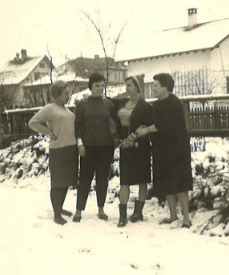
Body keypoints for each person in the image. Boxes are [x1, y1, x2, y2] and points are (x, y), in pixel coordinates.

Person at [136, 73, 193, 228]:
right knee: (167, 181)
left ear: (165, 87)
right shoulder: (156, 104)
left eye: (155, 85)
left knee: (180, 183)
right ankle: (173, 215)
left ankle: (186, 218)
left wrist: (147, 130)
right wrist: (144, 127)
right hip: (161, 149)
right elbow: (152, 122)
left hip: (176, 149)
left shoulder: (173, 102)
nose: (153, 88)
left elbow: (164, 124)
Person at [28, 81, 78, 225]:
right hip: (58, 150)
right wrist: (48, 132)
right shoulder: (49, 108)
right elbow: (33, 122)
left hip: (71, 149)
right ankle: (57, 214)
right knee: (57, 183)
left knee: (66, 182)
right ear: (57, 94)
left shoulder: (67, 110)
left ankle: (60, 208)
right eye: (66, 94)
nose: (68, 96)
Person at [74, 72, 118, 222]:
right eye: (96, 85)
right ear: (90, 86)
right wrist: (80, 144)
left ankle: (101, 209)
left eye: (102, 85)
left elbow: (118, 119)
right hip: (87, 148)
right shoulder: (82, 104)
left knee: (102, 179)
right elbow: (77, 126)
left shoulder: (109, 104)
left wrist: (116, 139)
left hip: (106, 147)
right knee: (85, 179)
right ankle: (79, 210)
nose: (100, 88)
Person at [114, 76, 152, 227]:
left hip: (140, 146)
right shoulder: (122, 103)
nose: (127, 88)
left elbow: (147, 126)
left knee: (142, 179)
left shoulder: (145, 106)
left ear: (137, 86)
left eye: (129, 85)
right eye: (126, 85)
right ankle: (122, 215)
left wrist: (134, 137)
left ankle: (138, 211)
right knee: (125, 180)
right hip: (124, 145)